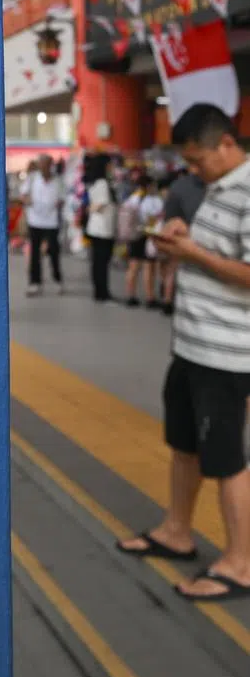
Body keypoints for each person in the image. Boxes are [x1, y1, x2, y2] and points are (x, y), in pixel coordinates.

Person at [117, 105, 250, 602]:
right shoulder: (219, 189)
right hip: (193, 347)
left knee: (227, 458)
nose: (192, 171)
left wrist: (196, 255)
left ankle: (240, 562)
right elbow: (226, 254)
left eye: (198, 160)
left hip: (228, 356)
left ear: (227, 145)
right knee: (185, 445)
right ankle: (178, 530)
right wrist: (186, 240)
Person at [161, 169, 206, 316]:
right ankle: (168, 299)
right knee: (174, 270)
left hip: (183, 241)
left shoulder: (179, 187)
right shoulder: (181, 188)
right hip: (185, 242)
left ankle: (167, 300)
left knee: (172, 270)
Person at [20, 155, 63, 296]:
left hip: (51, 221)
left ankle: (57, 279)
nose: (44, 168)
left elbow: (62, 199)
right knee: (35, 252)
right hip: (35, 220)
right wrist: (28, 201)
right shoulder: (32, 178)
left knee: (54, 251)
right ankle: (35, 282)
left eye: (47, 165)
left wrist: (57, 204)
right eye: (42, 165)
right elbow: (23, 195)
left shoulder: (58, 180)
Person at [120, 175, 162, 308]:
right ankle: (150, 297)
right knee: (149, 267)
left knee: (133, 266)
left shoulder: (133, 198)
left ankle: (130, 295)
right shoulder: (154, 200)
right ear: (150, 186)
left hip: (134, 235)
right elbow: (158, 216)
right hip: (149, 236)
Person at [84, 154, 117, 303]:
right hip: (103, 228)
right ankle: (102, 292)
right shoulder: (103, 183)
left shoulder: (94, 182)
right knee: (102, 262)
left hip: (95, 227)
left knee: (97, 262)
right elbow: (100, 204)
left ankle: (99, 290)